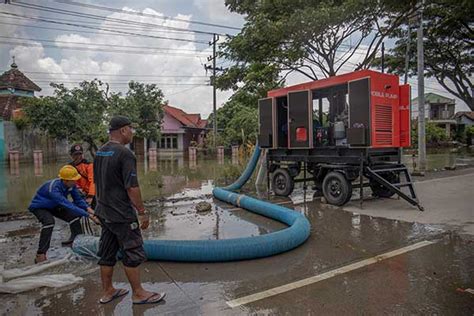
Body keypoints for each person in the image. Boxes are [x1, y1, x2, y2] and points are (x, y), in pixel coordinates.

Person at [94, 115, 166, 305]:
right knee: (132, 252)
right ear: (124, 130)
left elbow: (97, 183)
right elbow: (132, 187)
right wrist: (141, 211)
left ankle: (108, 291)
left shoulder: (100, 152)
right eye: (131, 129)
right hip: (121, 213)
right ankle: (138, 293)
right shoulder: (125, 154)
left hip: (104, 212)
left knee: (107, 253)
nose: (132, 133)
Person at [29, 165, 99, 264]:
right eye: (73, 180)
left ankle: (77, 242)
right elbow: (68, 205)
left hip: (54, 205)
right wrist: (89, 216)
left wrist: (91, 211)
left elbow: (78, 200)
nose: (75, 182)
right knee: (49, 222)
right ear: (65, 180)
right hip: (40, 207)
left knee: (74, 216)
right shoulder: (53, 188)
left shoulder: (72, 185)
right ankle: (41, 254)